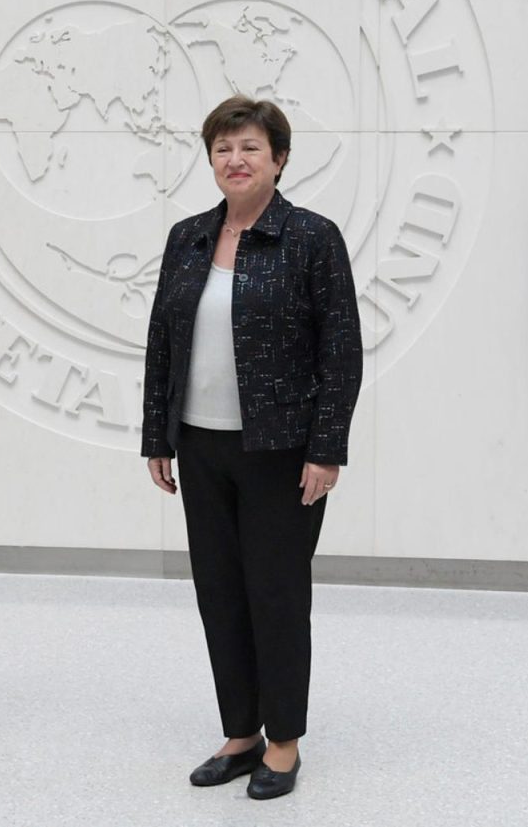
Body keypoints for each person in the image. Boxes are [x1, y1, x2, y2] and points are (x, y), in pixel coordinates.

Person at [141, 96, 362, 800]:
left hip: (280, 449)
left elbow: (342, 351)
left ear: (280, 158)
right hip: (201, 446)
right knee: (220, 594)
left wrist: (325, 448)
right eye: (222, 149)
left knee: (275, 593)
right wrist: (157, 434)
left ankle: (285, 742)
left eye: (250, 148)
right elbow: (162, 344)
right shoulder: (187, 238)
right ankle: (241, 733)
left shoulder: (311, 238)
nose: (235, 160)